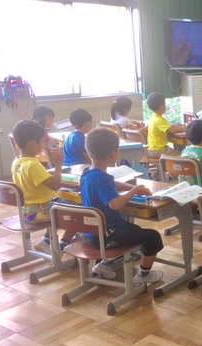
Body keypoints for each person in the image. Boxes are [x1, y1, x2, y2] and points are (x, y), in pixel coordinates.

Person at [80, 128, 165, 283]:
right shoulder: (102, 178)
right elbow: (115, 204)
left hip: (91, 234)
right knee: (153, 237)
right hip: (108, 236)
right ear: (113, 155)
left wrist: (131, 187)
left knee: (134, 230)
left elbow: (110, 183)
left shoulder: (87, 173)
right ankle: (144, 275)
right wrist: (133, 191)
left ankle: (104, 265)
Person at [10, 120, 74, 254]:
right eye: (42, 142)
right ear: (33, 143)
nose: (44, 146)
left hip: (26, 211)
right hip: (39, 212)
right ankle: (64, 243)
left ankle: (46, 241)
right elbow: (55, 185)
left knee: (57, 203)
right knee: (76, 208)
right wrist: (58, 163)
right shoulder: (33, 164)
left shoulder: (17, 161)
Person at [146, 92, 187, 159]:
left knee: (177, 152)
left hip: (151, 149)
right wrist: (187, 128)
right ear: (162, 106)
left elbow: (168, 128)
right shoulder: (159, 120)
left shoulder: (153, 117)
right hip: (158, 150)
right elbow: (172, 130)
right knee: (182, 156)